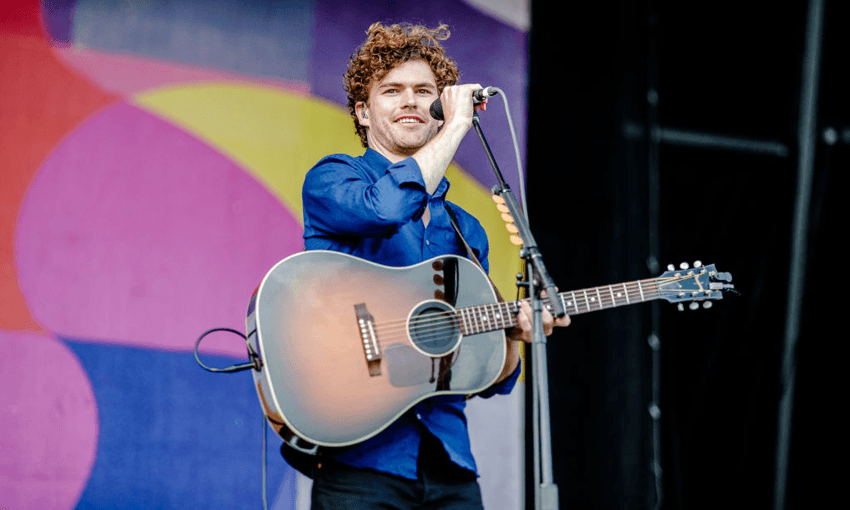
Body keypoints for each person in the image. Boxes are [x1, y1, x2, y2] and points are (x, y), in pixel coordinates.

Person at [300, 22, 570, 509]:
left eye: (424, 92)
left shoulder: (467, 230)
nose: (409, 101)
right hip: (360, 458)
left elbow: (488, 376)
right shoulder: (334, 177)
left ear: (438, 108)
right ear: (363, 111)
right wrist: (457, 128)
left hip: (449, 464)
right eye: (392, 91)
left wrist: (514, 335)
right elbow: (384, 210)